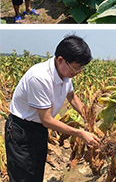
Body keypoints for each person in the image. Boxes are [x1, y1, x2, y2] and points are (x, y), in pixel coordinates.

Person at [5, 35, 100, 182]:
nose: (77, 72)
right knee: (22, 178)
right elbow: (47, 120)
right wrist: (80, 133)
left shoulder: (66, 75)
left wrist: (87, 116)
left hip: (39, 130)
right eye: (76, 67)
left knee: (36, 174)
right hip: (21, 130)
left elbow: (73, 98)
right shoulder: (40, 77)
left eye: (81, 68)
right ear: (60, 60)